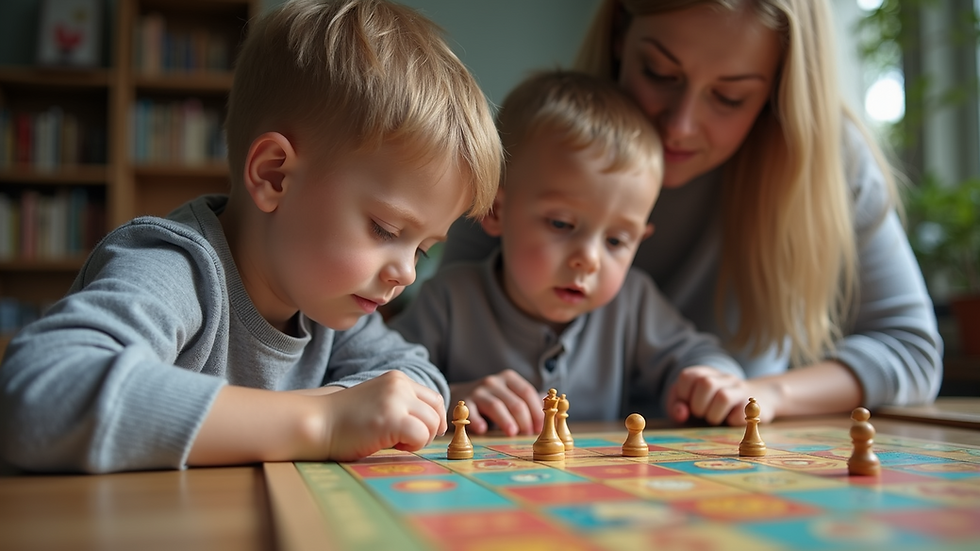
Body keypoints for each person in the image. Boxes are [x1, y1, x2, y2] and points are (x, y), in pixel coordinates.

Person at [0, 0, 501, 473]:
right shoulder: (175, 267)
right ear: (275, 176)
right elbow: (39, 396)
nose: (406, 273)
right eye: (385, 230)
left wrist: (347, 407)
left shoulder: (331, 304)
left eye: (421, 249)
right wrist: (320, 422)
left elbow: (415, 377)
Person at [439, 0, 943, 427]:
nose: (680, 126)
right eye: (660, 73)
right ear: (619, 36)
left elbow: (911, 351)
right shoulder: (538, 142)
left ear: (776, 90)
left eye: (729, 97)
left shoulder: (829, 161)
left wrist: (767, 394)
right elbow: (421, 351)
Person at [391, 70, 744, 435]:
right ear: (496, 211)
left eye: (616, 241)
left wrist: (713, 380)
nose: (588, 259)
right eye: (561, 224)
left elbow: (696, 356)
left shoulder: (633, 303)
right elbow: (387, 381)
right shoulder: (449, 299)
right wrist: (452, 399)